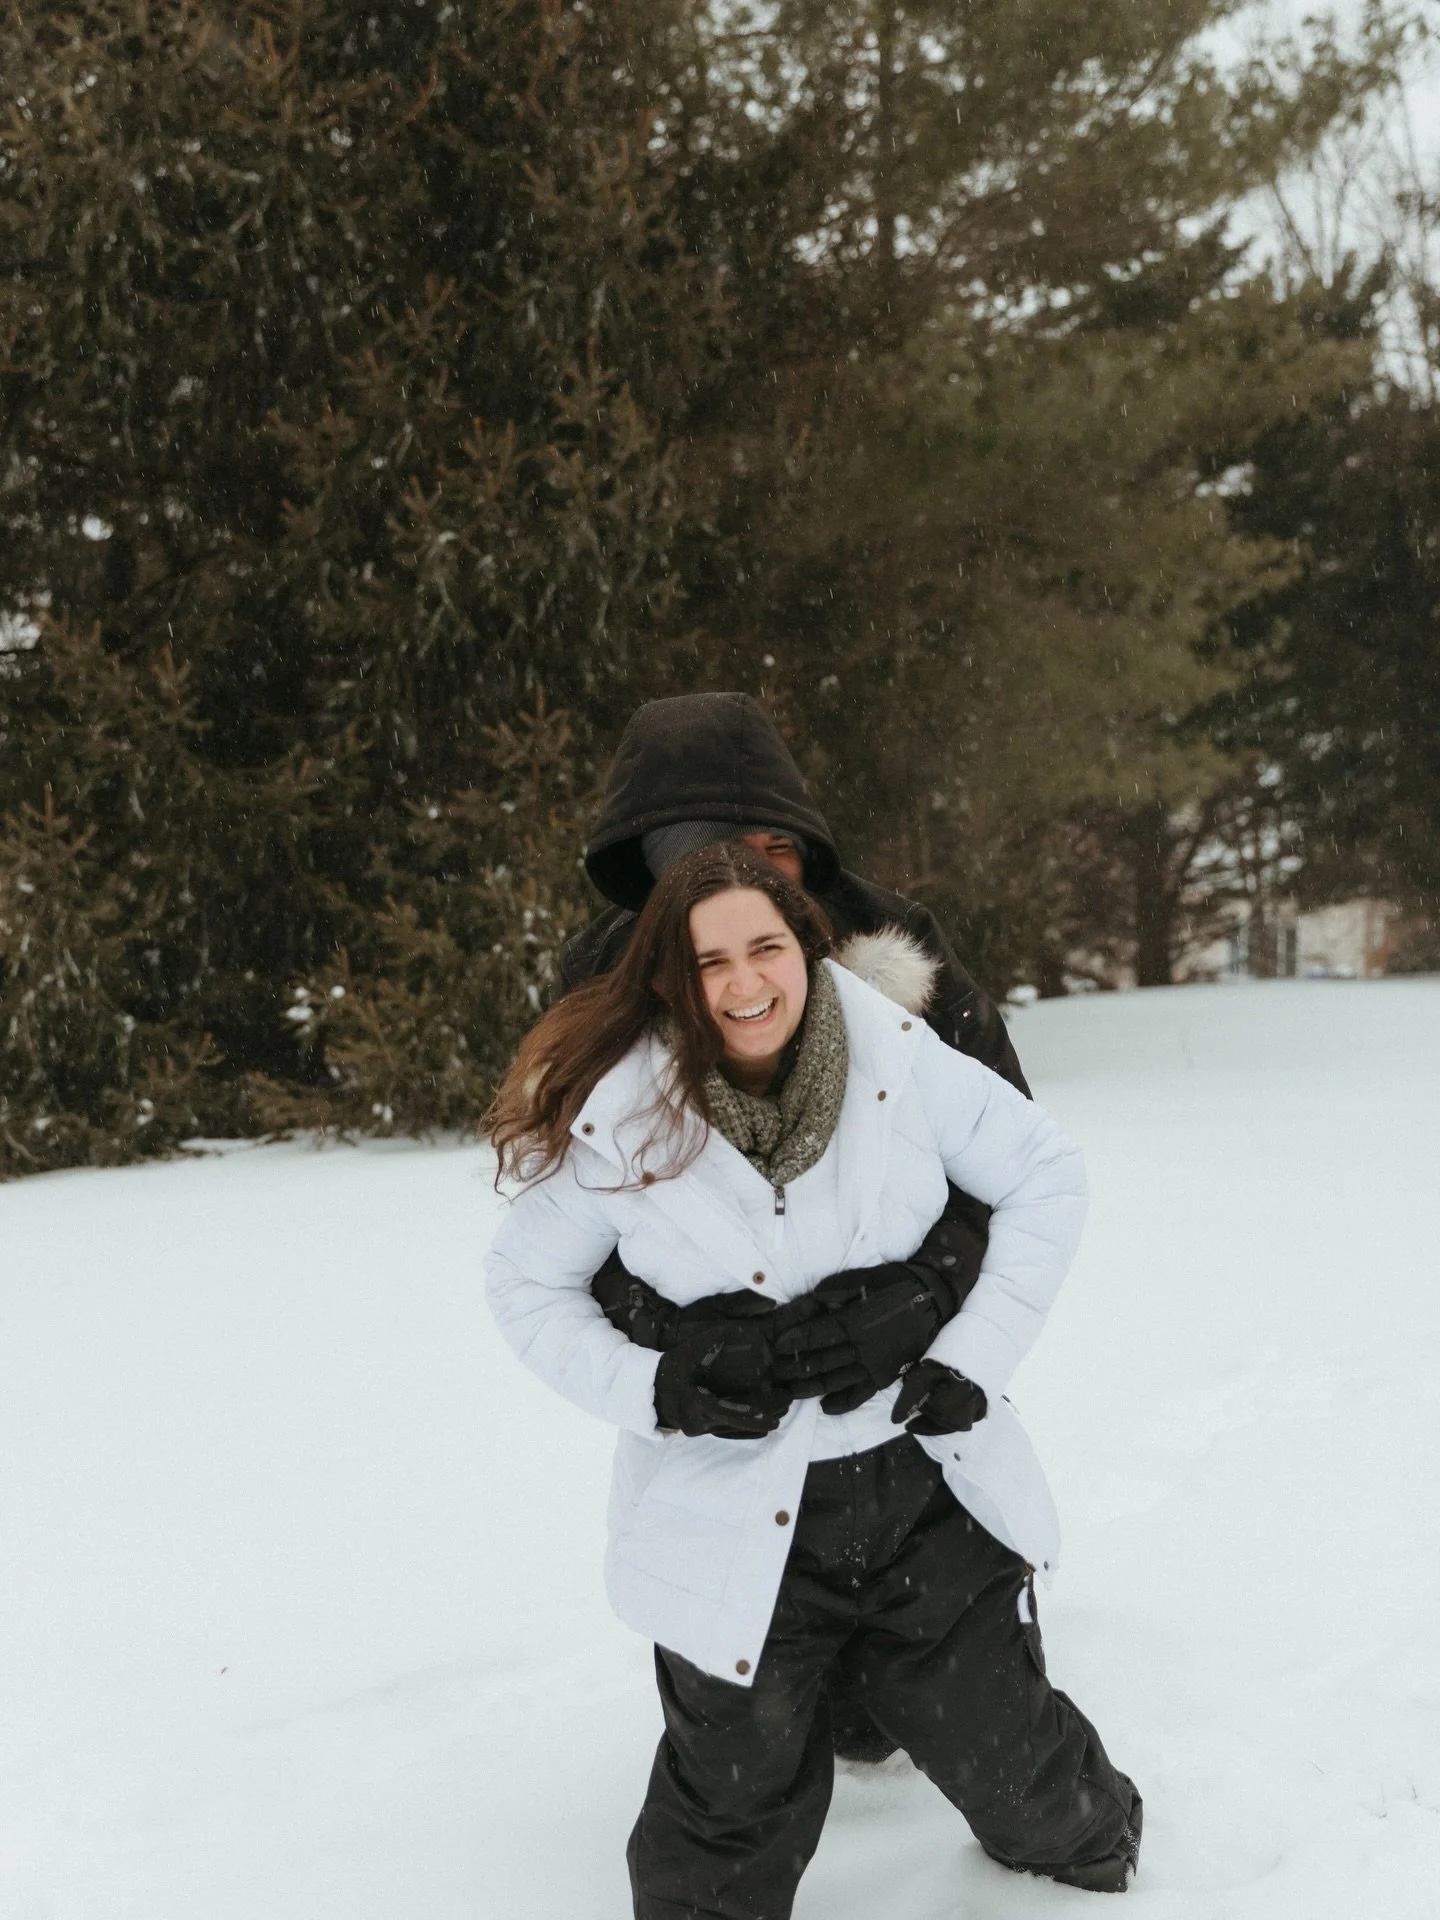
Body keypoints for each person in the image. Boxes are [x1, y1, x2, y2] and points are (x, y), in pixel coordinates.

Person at [486, 843, 1142, 1916]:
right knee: (723, 1828)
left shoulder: (902, 1056)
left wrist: (968, 1351)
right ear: (667, 978)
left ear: (806, 946)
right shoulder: (619, 1115)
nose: (745, 985)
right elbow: (525, 1287)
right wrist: (662, 1386)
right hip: (733, 1510)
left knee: (1038, 1796)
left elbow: (1043, 1174)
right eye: (710, 963)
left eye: (766, 948)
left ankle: (1089, 1829)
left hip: (917, 1489)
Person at [563, 691, 1025, 1763]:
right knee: (746, 1695)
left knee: (922, 1711)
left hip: (899, 1389)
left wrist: (928, 1294)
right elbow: (565, 1221)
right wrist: (676, 1341)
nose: (761, 875)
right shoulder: (605, 984)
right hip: (732, 1422)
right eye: (724, 854)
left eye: (778, 847)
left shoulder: (896, 949)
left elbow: (1014, 1162)